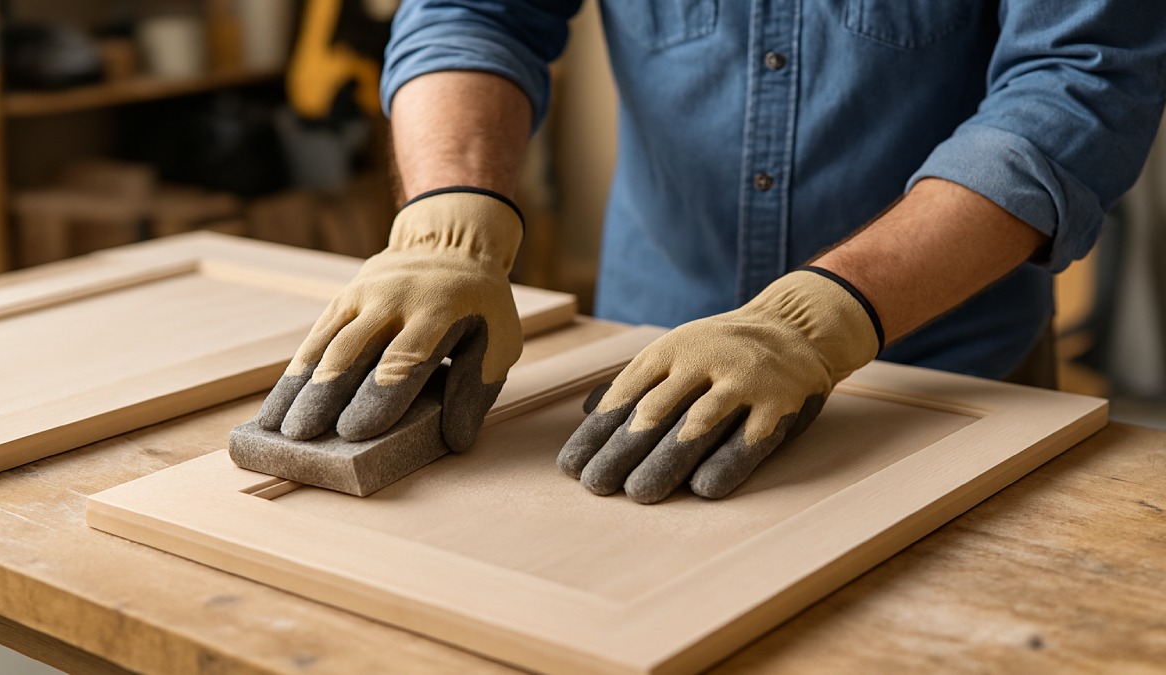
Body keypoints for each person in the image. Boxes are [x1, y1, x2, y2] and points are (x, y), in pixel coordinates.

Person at [255, 2, 1166, 504]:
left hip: (947, 375)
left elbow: (1078, 82)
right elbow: (473, 9)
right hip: (637, 350)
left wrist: (817, 316)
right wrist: (450, 222)